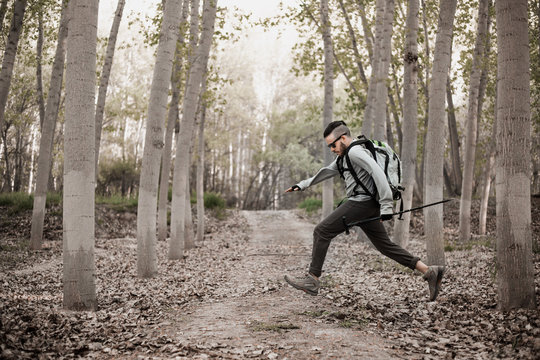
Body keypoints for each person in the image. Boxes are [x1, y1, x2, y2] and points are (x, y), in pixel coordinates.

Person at [284, 121, 445, 301]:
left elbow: (378, 173)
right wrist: (302, 185)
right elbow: (326, 172)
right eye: (329, 146)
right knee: (385, 246)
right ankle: (429, 271)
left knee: (322, 231)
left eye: (333, 145)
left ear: (343, 137)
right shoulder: (344, 157)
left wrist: (386, 206)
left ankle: (312, 280)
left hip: (362, 203)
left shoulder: (355, 152)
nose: (331, 149)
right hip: (367, 206)